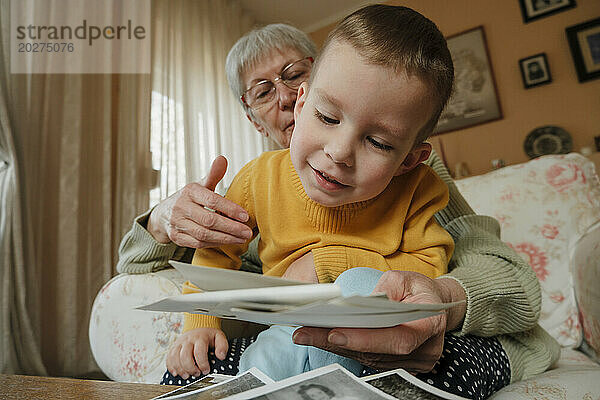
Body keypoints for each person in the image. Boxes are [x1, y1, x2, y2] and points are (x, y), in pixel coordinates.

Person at [116, 6, 559, 399]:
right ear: (252, 119)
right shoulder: (251, 186)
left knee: (424, 370)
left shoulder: (412, 179)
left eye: (293, 75)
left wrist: (335, 268)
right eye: (263, 90)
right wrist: (161, 222)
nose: (285, 96)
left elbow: (503, 277)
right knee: (190, 378)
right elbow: (161, 265)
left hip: (389, 330)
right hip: (289, 339)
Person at [174, 4, 457, 381]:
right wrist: (199, 321)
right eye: (327, 118)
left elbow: (427, 274)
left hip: (371, 327)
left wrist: (330, 264)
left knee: (359, 285)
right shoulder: (258, 178)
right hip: (289, 327)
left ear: (409, 159)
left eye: (377, 142)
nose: (339, 153)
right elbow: (215, 252)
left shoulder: (419, 187)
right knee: (268, 359)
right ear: (305, 104)